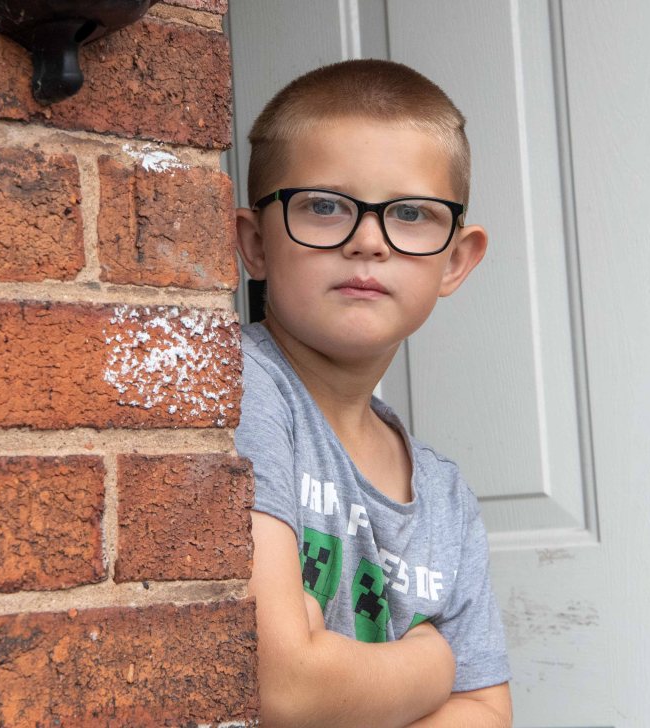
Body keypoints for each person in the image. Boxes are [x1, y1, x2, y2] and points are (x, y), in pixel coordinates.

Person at [234, 59, 512, 727]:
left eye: (411, 213)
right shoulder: (241, 391)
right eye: (325, 206)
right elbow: (286, 687)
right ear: (253, 242)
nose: (367, 241)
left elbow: (487, 711)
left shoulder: (445, 496)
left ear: (456, 260)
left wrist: (341, 674)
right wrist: (433, 663)